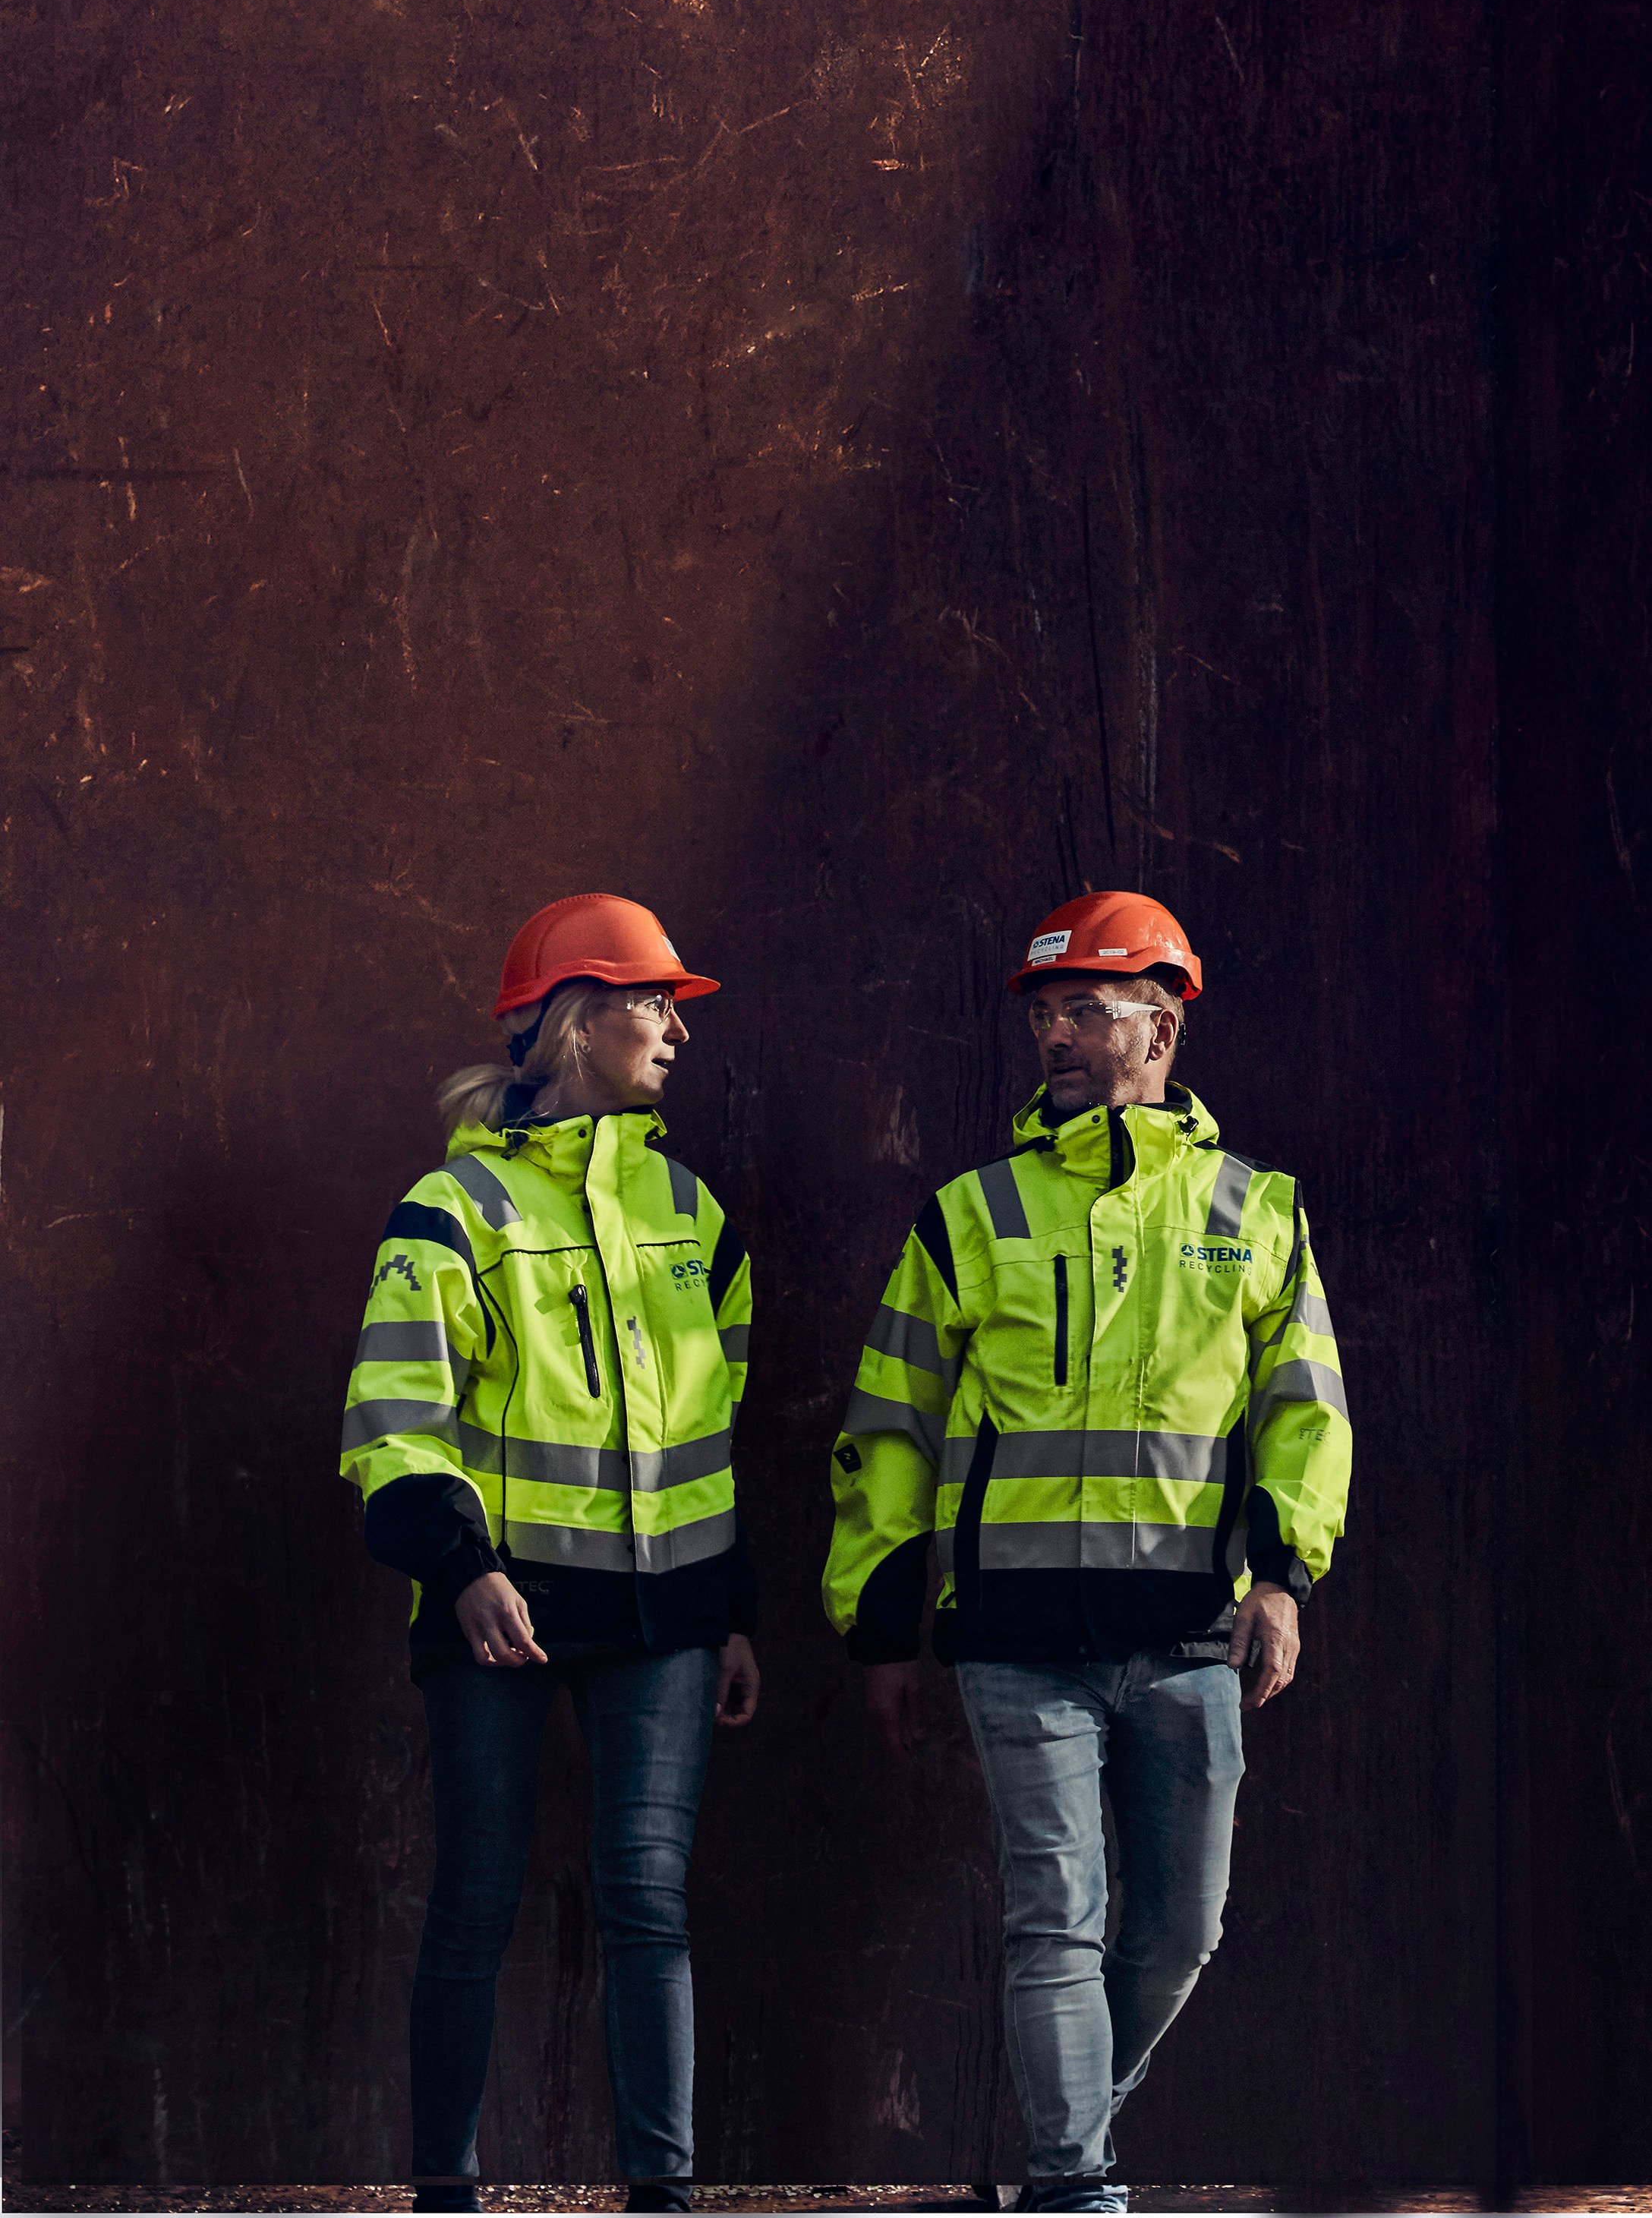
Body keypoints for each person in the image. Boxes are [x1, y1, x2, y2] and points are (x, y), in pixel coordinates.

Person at [824, 890, 1351, 2216]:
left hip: (1189, 1637)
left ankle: (1070, 2146)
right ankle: (1076, 2190)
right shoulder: (971, 1214)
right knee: (1056, 1917)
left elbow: (1305, 1414)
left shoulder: (1258, 1211)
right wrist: (883, 1625)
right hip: (1018, 1642)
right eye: (1045, 1013)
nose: (1054, 1033)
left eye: (1083, 1010)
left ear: (1159, 1025)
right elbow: (890, 1422)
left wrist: (1286, 1579)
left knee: (1179, 1932)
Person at [340, 893, 761, 2217]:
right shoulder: (451, 1208)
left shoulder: (691, 1213)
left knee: (649, 1902)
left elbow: (717, 1425)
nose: (674, 1032)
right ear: (578, 1022)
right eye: (653, 1004)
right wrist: (462, 1570)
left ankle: (663, 2199)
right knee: (473, 1898)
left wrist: (728, 1607)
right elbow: (394, 1416)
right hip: (496, 1615)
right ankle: (444, 2196)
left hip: (669, 1623)